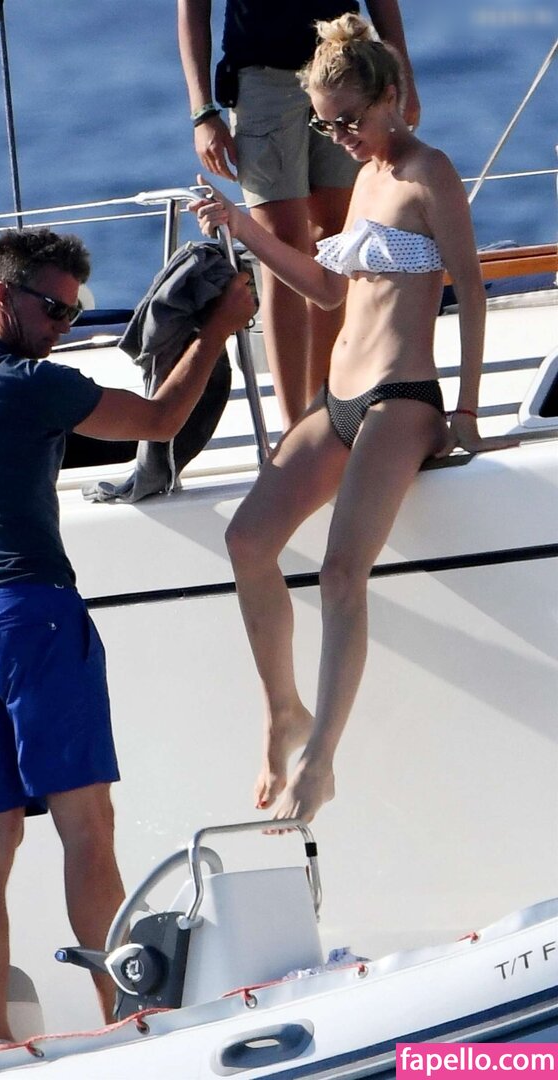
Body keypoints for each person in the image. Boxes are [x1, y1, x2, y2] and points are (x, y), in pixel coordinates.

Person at [0, 227, 254, 1041]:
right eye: (53, 309)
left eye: (74, 312)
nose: (63, 327)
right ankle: (128, 1029)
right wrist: (216, 330)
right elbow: (162, 419)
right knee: (87, 831)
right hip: (28, 618)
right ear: (2, 295)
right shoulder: (32, 385)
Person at [190, 14, 517, 824]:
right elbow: (328, 288)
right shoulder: (367, 177)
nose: (340, 137)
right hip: (339, 401)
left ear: (390, 97)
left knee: (341, 573)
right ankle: (282, 712)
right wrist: (241, 227)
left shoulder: (428, 173)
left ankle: (321, 760)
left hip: (402, 400)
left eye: (349, 121)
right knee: (247, 540)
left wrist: (467, 408)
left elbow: (471, 291)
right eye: (326, 126)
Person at [177, 0, 420, 430]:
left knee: (336, 244)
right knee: (281, 249)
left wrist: (402, 80)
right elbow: (192, 8)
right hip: (261, 78)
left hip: (344, 69)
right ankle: (295, 428)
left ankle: (330, 408)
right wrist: (202, 112)